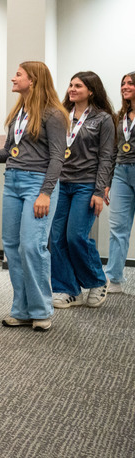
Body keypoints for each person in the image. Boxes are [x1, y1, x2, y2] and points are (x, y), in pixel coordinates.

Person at [0, 61, 68, 331]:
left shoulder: (53, 114)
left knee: (33, 247)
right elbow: (8, 153)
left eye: (19, 75)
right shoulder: (18, 113)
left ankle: (41, 309)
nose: (14, 78)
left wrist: (46, 193)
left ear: (33, 80)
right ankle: (21, 309)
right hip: (12, 181)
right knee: (11, 246)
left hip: (38, 184)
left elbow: (58, 157)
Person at [49, 71, 115, 310]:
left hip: (86, 184)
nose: (72, 89)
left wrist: (100, 190)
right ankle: (68, 289)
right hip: (60, 184)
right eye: (70, 85)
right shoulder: (61, 115)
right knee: (56, 238)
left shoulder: (103, 119)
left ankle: (97, 280)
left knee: (75, 236)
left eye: (78, 86)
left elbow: (107, 157)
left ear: (91, 91)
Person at [104, 71, 135, 295]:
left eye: (130, 83)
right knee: (117, 228)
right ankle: (114, 278)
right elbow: (113, 151)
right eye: (123, 83)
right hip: (121, 175)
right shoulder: (120, 117)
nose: (125, 87)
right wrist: (107, 181)